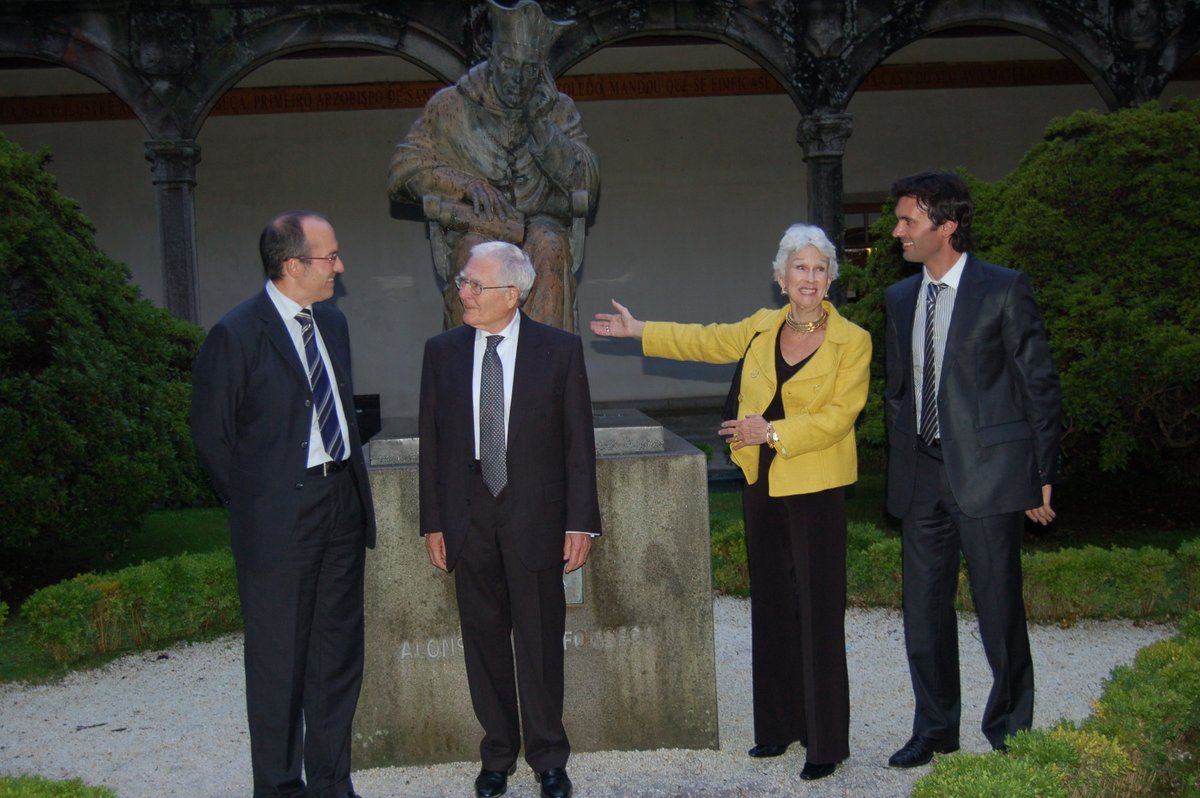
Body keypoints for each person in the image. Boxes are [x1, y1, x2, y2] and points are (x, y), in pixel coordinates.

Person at [591, 224, 871, 782]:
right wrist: (639, 329)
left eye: (820, 268)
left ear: (831, 278)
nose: (809, 278)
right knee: (770, 604)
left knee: (817, 611)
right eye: (800, 268)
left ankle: (825, 742)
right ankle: (777, 727)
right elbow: (703, 339)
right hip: (762, 481)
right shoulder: (761, 327)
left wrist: (769, 432)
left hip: (814, 485)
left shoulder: (852, 340)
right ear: (780, 277)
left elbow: (840, 417)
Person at [190, 211, 377, 798]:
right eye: (331, 258)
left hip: (341, 505)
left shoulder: (335, 324)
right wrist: (261, 505)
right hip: (279, 522)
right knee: (278, 667)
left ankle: (330, 783)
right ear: (293, 265)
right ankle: (278, 788)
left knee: (335, 658)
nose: (340, 267)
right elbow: (212, 438)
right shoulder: (237, 333)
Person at [883, 170, 1062, 768]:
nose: (896, 231)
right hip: (922, 477)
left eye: (908, 220)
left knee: (999, 611)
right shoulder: (899, 298)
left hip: (989, 478)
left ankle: (1011, 729)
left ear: (947, 226)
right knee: (923, 616)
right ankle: (935, 729)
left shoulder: (1004, 289)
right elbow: (900, 391)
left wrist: (1041, 472)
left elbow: (1038, 385)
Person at [419, 240, 601, 798]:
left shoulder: (560, 350)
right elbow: (433, 443)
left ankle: (549, 756)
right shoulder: (442, 351)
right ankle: (497, 753)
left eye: (475, 284)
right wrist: (432, 522)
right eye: (463, 282)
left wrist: (581, 522)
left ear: (512, 294)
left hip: (537, 518)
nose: (463, 293)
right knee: (484, 639)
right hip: (468, 515)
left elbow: (578, 444)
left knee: (542, 641)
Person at [388, 0, 599, 332]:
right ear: (492, 57)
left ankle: (542, 370)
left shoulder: (557, 110)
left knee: (549, 247)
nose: (517, 78)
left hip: (540, 224)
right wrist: (465, 184)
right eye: (508, 63)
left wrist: (541, 128)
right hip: (475, 228)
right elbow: (404, 171)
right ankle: (478, 372)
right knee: (477, 260)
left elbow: (586, 180)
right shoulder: (451, 105)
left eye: (530, 69)